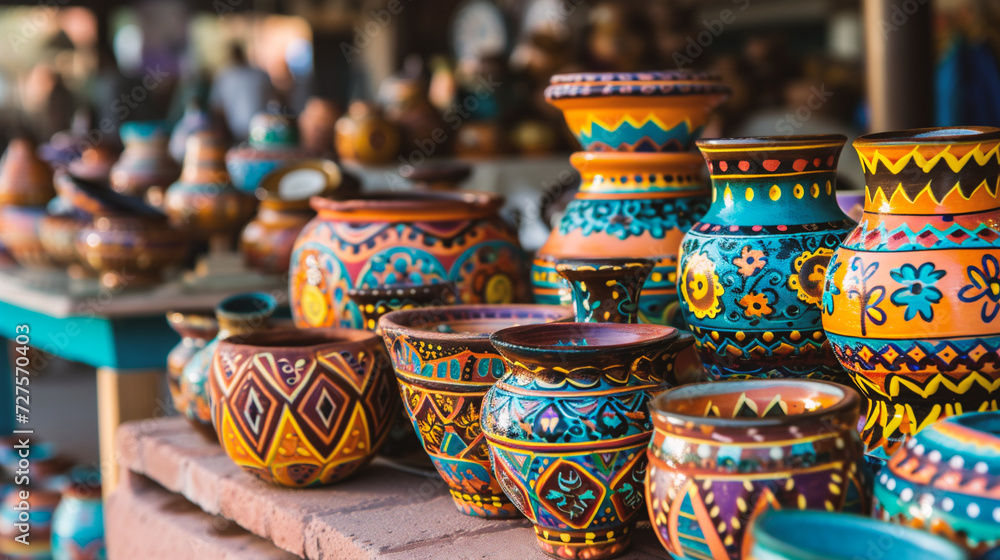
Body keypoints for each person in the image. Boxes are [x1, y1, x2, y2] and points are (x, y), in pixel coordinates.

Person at [208, 44, 276, 141]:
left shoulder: (224, 76)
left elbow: (217, 107)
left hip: (242, 129)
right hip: (260, 128)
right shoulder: (260, 74)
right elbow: (275, 99)